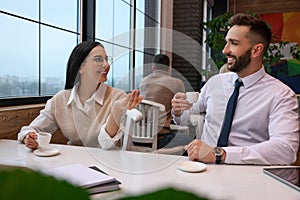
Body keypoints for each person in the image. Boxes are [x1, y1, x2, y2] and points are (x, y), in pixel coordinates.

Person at [171, 13, 299, 165]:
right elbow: (188, 115)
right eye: (226, 42)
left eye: (234, 43)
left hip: (245, 177)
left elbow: (286, 149)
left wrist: (221, 154)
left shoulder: (281, 95)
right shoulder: (215, 83)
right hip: (201, 169)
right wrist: (178, 111)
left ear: (256, 50)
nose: (225, 50)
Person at [18, 41, 143, 150]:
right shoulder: (60, 100)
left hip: (110, 164)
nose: (106, 65)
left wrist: (116, 111)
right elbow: (30, 129)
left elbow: (106, 145)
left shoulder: (118, 97)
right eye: (98, 59)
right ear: (81, 67)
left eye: (106, 59)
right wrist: (29, 137)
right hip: (73, 163)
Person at [139, 54, 193, 149]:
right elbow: (181, 109)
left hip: (139, 136)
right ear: (169, 68)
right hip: (161, 138)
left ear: (153, 67)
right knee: (191, 143)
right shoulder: (176, 82)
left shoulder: (143, 81)